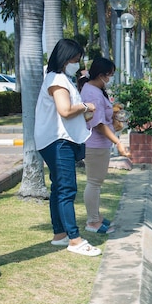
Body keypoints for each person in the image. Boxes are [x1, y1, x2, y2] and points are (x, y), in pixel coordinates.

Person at [34, 38, 101, 257]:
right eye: (74, 60)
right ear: (64, 59)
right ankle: (75, 239)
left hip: (56, 140)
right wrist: (86, 106)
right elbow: (64, 110)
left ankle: (60, 235)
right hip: (57, 141)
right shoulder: (57, 80)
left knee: (58, 189)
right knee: (66, 189)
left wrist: (83, 112)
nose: (77, 64)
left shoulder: (61, 78)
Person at [78, 57, 130, 234]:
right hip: (95, 144)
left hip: (99, 144)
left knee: (96, 182)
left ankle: (96, 217)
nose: (110, 79)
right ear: (101, 75)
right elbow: (98, 124)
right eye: (110, 75)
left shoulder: (93, 89)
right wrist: (118, 143)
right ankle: (93, 222)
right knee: (94, 183)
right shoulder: (92, 92)